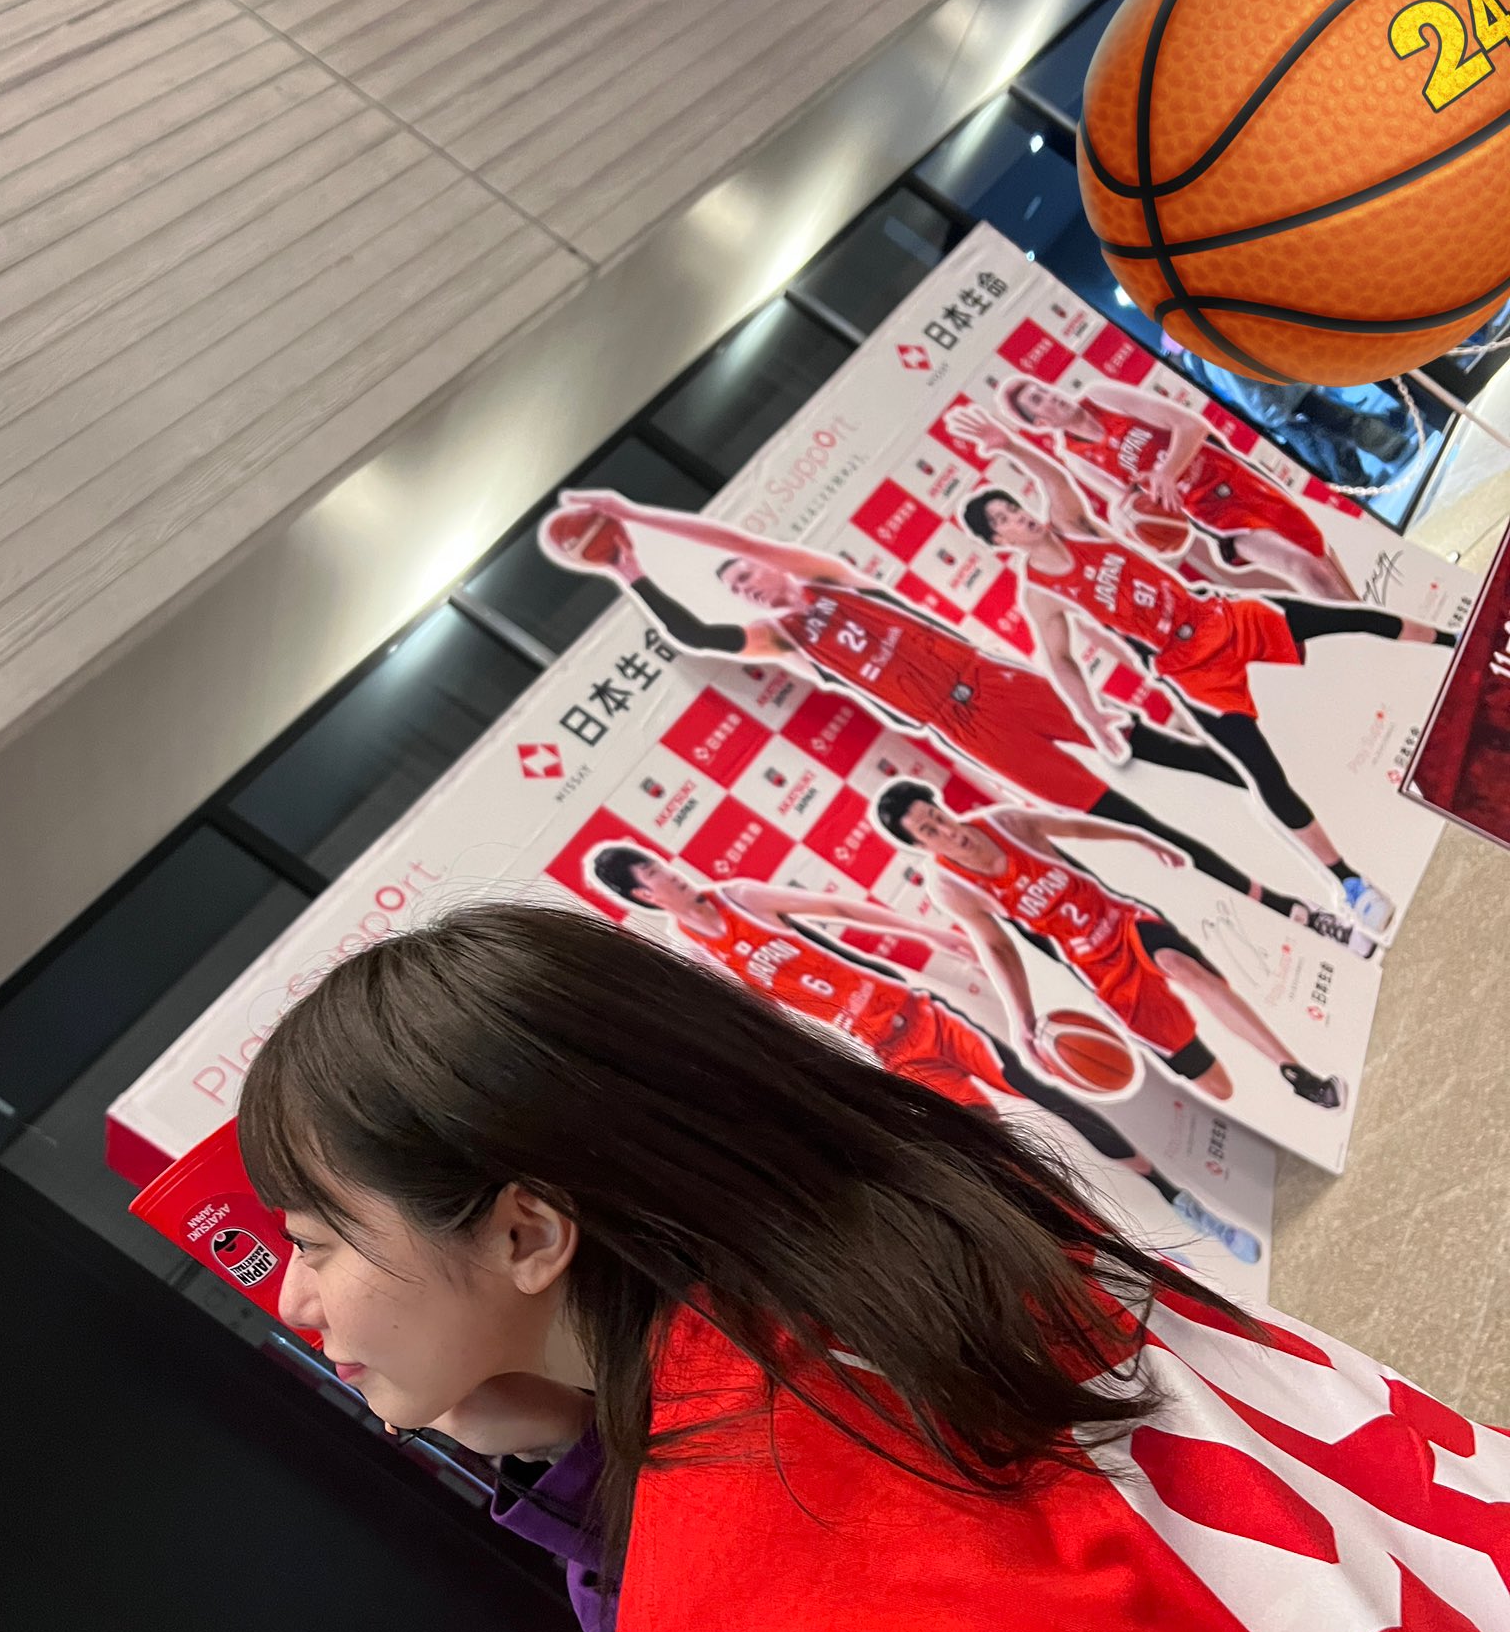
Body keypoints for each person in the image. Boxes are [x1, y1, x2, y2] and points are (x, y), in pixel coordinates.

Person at [238, 902, 1510, 1632]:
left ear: (526, 1233)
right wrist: (585, 1456)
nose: (294, 1298)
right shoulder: (920, 1216)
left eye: (317, 1240)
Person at [543, 492, 1361, 945]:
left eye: (750, 575)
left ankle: (1331, 835)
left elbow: (727, 535)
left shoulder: (827, 578)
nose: (751, 587)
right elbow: (696, 633)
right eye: (739, 589)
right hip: (972, 731)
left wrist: (636, 512)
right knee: (1136, 821)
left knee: (1173, 751)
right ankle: (1294, 909)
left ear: (769, 566)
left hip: (1000, 683)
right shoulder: (782, 639)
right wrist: (629, 567)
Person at [590, 844, 1260, 1262]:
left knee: (1049, 1091)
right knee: (995, 1157)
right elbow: (760, 1024)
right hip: (880, 1057)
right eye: (653, 874)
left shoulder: (739, 895)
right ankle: (1114, 1251)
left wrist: (927, 932)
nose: (669, 872)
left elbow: (837, 908)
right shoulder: (695, 953)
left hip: (920, 1016)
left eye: (661, 861)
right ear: (643, 894)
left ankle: (1182, 1201)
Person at [960, 424, 1456, 935]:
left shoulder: (1073, 525)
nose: (1018, 516)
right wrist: (1091, 715)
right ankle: (1349, 883)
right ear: (1000, 541)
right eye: (1004, 520)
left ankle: (1455, 643)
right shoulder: (1039, 594)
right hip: (1188, 668)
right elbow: (1060, 659)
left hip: (1215, 618)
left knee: (1351, 620)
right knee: (1264, 774)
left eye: (1013, 507)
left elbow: (1055, 480)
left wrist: (1012, 446)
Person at [876, 779, 1344, 1113]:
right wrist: (1022, 1022)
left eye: (938, 817)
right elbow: (996, 948)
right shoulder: (949, 887)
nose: (946, 831)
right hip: (1097, 967)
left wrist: (1141, 837)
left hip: (1122, 920)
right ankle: (1264, 1113)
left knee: (1182, 966)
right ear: (920, 845)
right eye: (929, 832)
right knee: (1217, 1086)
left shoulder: (1006, 823)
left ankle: (1294, 1072)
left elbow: (1076, 828)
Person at [959, 377, 1359, 600]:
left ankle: (1375, 627)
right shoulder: (1077, 457)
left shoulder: (1101, 396)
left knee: (1321, 555)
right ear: (1041, 423)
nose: (1052, 395)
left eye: (1045, 389)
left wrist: (1166, 471)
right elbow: (1126, 502)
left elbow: (1190, 425)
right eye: (1039, 400)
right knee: (1302, 567)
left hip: (1233, 476)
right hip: (1213, 518)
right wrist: (1132, 518)